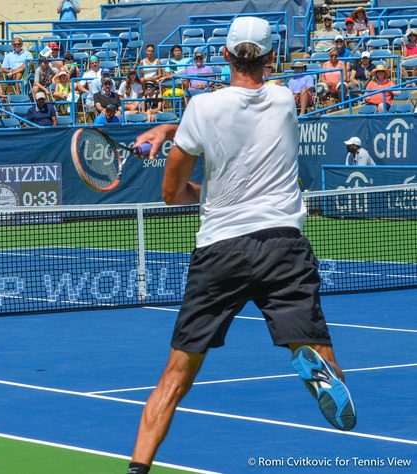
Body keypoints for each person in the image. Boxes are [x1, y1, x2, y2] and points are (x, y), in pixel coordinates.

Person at [127, 17, 356, 474]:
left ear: (226, 56)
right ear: (271, 58)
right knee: (315, 349)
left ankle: (138, 468)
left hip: (222, 251)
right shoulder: (286, 99)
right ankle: (314, 363)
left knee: (174, 378)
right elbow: (237, 115)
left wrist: (174, 139)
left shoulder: (200, 108)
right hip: (283, 246)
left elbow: (174, 194)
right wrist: (173, 130)